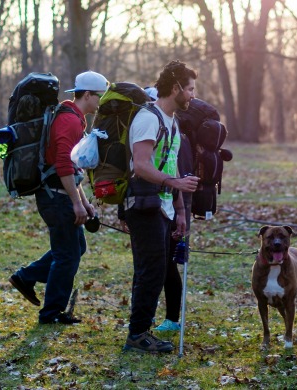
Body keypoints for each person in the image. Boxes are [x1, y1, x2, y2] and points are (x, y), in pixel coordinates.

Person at [9, 71, 108, 325]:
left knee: (76, 249)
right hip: (56, 197)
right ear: (87, 95)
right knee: (67, 256)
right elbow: (63, 164)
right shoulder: (69, 121)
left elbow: (74, 170)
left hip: (60, 194)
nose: (101, 103)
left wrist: (85, 203)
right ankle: (50, 313)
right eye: (100, 97)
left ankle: (26, 277)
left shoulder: (72, 118)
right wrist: (76, 203)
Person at [122, 61, 200, 353]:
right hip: (143, 203)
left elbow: (170, 165)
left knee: (157, 269)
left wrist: (179, 211)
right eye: (190, 89)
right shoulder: (148, 118)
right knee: (150, 270)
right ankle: (137, 334)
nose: (192, 95)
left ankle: (140, 331)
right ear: (176, 87)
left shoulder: (173, 122)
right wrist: (175, 184)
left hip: (164, 206)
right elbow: (140, 165)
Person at [141, 86, 195, 333]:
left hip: (170, 203)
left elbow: (175, 169)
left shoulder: (172, 129)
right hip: (159, 203)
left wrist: (181, 211)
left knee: (165, 265)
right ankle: (151, 319)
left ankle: (171, 318)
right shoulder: (153, 124)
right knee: (158, 266)